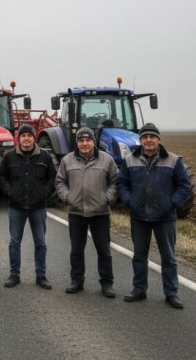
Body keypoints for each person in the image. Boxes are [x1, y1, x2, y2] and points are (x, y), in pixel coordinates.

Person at [118, 123, 192, 309]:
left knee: (168, 257)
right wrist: (130, 201)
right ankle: (139, 289)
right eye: (144, 137)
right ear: (140, 140)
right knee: (139, 256)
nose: (148, 140)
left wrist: (171, 203)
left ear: (158, 139)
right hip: (139, 216)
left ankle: (171, 293)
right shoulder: (129, 160)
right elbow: (121, 184)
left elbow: (184, 186)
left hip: (165, 218)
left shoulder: (173, 161)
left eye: (152, 136)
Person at [55, 127, 119, 297]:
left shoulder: (107, 160)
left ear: (93, 142)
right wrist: (68, 197)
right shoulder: (67, 160)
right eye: (81, 140)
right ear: (77, 143)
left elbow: (115, 181)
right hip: (76, 212)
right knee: (76, 249)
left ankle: (107, 283)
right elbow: (60, 181)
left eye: (88, 140)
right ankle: (77, 280)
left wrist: (107, 198)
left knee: (103, 250)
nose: (84, 144)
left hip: (100, 213)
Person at [0, 123, 56, 289]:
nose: (26, 138)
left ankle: (41, 275)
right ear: (19, 138)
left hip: (38, 207)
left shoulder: (45, 157)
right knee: (14, 242)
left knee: (40, 242)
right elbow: (2, 177)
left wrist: (44, 193)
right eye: (23, 135)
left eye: (29, 135)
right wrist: (9, 191)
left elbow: (52, 177)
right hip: (16, 207)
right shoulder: (9, 157)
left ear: (34, 138)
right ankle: (14, 274)